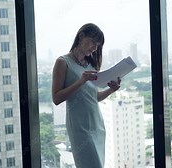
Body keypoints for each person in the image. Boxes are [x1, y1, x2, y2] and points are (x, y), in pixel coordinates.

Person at [52, 23, 121, 168]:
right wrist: (81, 81)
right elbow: (57, 98)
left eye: (98, 45)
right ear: (81, 36)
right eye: (93, 42)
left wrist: (111, 90)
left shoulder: (91, 66)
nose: (95, 48)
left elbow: (94, 98)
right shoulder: (63, 62)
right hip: (80, 127)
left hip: (97, 125)